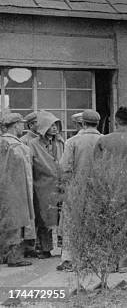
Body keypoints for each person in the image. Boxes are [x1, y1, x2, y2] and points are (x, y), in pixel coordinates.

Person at [94, 106, 127, 272]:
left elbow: (97, 167)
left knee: (109, 223)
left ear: (115, 121)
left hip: (108, 188)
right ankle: (126, 262)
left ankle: (109, 262)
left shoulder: (103, 140)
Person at [56, 110, 101, 271]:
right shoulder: (104, 141)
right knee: (95, 223)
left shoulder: (72, 142)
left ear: (82, 123)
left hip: (76, 188)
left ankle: (69, 259)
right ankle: (93, 258)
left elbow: (64, 167)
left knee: (71, 223)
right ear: (97, 123)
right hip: (98, 189)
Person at [27, 110, 64, 259]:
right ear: (43, 127)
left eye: (56, 125)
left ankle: (65, 248)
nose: (54, 128)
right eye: (51, 125)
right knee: (44, 217)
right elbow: (30, 164)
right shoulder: (33, 144)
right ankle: (45, 248)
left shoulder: (60, 142)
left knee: (63, 217)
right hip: (41, 185)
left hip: (60, 185)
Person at [0, 113, 34, 267]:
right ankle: (14, 257)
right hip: (14, 189)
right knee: (15, 221)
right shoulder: (18, 147)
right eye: (21, 124)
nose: (23, 127)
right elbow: (26, 174)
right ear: (15, 125)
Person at [18, 112, 38, 257]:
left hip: (39, 181)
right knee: (29, 215)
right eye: (38, 122)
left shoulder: (41, 139)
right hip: (29, 180)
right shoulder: (24, 141)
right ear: (31, 124)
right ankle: (28, 246)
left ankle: (33, 244)